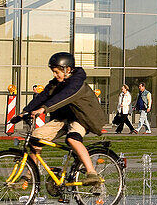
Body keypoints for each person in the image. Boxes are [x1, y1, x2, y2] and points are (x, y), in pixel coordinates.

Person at [18, 52, 106, 186]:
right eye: (53, 72)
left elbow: (64, 96)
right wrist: (25, 112)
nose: (54, 75)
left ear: (68, 69)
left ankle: (91, 173)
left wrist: (44, 109)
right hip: (64, 118)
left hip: (82, 118)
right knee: (35, 139)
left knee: (72, 139)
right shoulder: (57, 83)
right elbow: (44, 96)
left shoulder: (77, 84)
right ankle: (30, 174)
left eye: (56, 72)